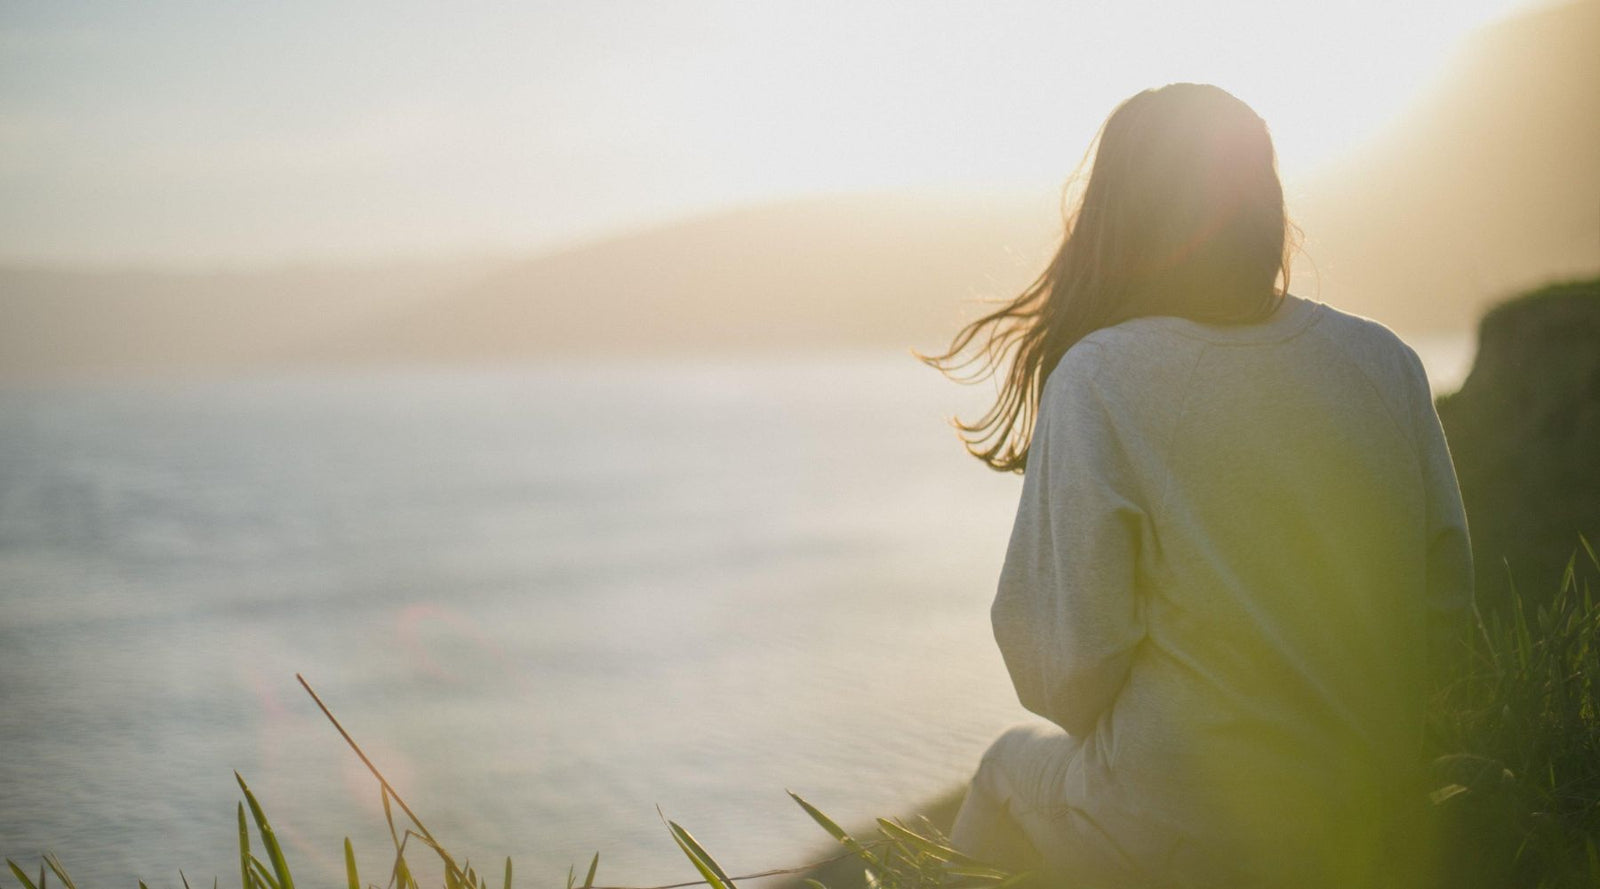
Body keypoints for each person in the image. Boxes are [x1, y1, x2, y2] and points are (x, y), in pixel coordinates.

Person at [922, 83, 1475, 888]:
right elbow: (1445, 609)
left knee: (1006, 770)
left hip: (1188, 830)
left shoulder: (1102, 376)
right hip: (1372, 805)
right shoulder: (1386, 359)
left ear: (1118, 217)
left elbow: (1063, 678)